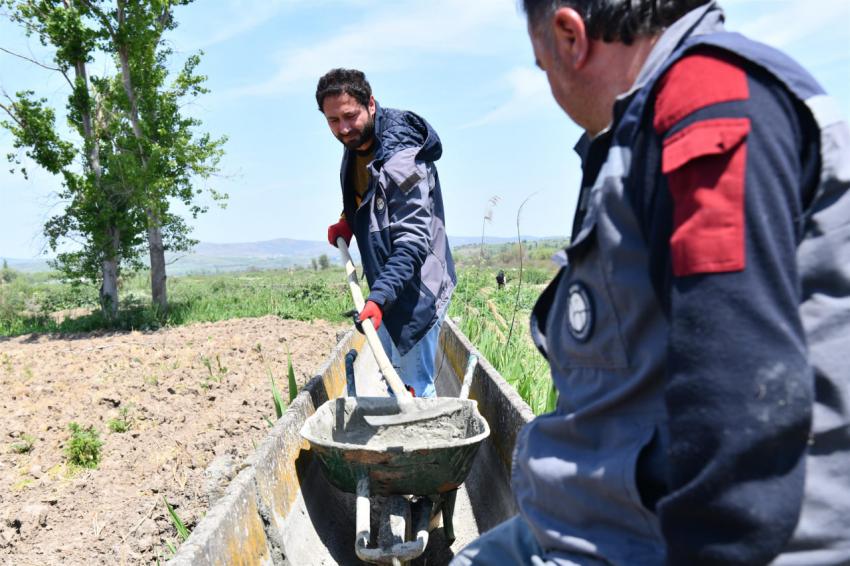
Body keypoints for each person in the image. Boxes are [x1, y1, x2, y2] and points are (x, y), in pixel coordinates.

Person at [453, 1, 850, 564]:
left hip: (668, 539)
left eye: (543, 68)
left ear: (570, 36)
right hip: (606, 517)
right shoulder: (643, 125)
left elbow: (738, 393)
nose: (551, 87)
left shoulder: (706, 101)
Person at [318, 68, 456, 399]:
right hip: (389, 283)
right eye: (333, 120)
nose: (343, 128)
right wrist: (348, 220)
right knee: (391, 372)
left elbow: (411, 241)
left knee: (413, 388)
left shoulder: (402, 158)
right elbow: (371, 197)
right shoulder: (356, 142)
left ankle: (423, 448)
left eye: (350, 116)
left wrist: (378, 298)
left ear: (371, 105)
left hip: (417, 286)